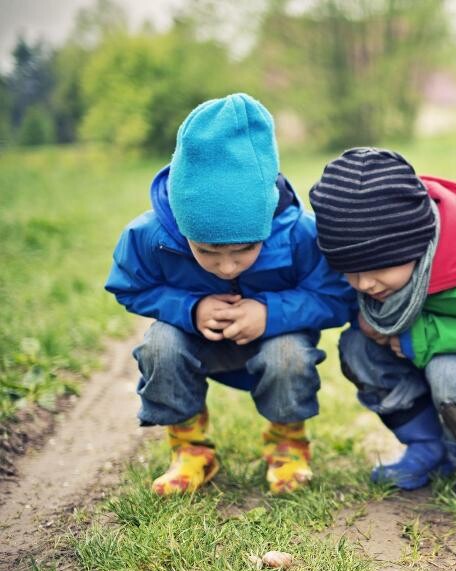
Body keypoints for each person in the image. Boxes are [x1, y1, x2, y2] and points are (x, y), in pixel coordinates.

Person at [106, 93, 354, 496]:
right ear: (184, 228)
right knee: (159, 345)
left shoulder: (299, 234)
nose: (226, 267)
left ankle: (287, 445)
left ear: (266, 220)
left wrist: (270, 312)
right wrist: (190, 307)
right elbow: (130, 285)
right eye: (205, 252)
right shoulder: (150, 235)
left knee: (288, 355)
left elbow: (336, 296)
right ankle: (190, 450)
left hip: (275, 338)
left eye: (244, 251)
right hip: (194, 339)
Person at [310, 148, 456, 500]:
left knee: (449, 371)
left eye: (376, 268)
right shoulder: (372, 275)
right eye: (350, 271)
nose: (364, 283)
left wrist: (424, 336)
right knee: (356, 347)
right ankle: (428, 447)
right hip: (422, 367)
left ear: (414, 246)